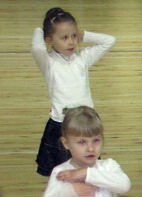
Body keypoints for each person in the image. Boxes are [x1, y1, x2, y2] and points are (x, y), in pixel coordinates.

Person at [31, 7, 115, 176]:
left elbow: (110, 40)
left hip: (85, 122)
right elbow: (37, 49)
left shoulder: (82, 58)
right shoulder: (49, 63)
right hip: (61, 124)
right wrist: (40, 30)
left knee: (87, 169)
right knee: (60, 173)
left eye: (74, 36)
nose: (71, 42)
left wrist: (85, 35)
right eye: (64, 37)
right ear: (49, 39)